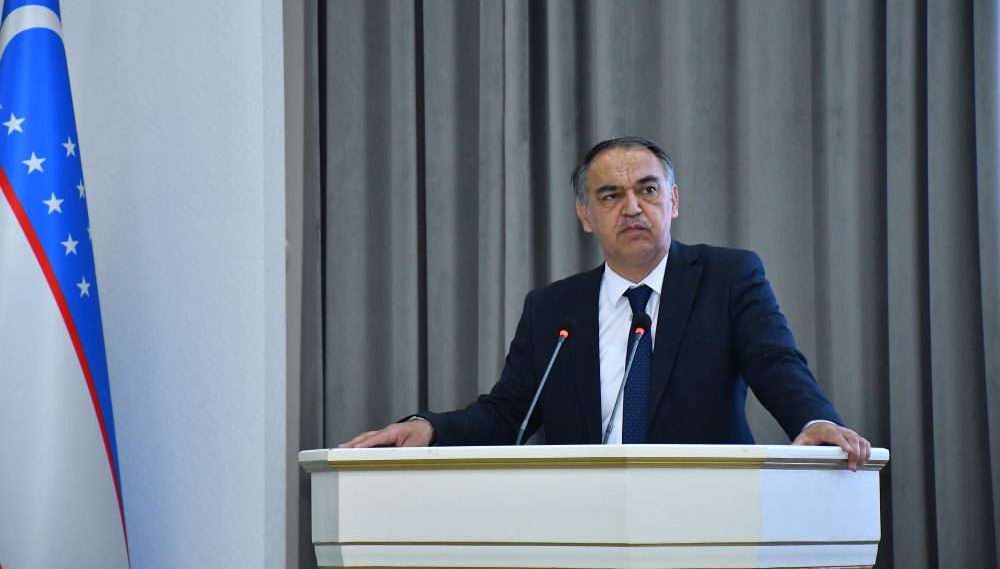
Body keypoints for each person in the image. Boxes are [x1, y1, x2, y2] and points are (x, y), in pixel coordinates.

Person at [341, 136, 871, 470]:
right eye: (611, 196)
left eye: (648, 190)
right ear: (585, 215)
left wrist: (813, 420)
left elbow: (775, 362)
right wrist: (431, 429)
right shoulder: (553, 308)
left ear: (673, 201)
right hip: (585, 524)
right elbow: (509, 414)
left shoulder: (727, 277)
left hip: (708, 514)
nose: (632, 207)